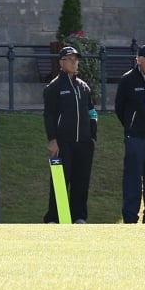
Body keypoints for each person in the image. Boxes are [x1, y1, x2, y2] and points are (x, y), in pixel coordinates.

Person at [43, 45, 97, 223]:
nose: (74, 63)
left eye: (76, 60)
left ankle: (78, 217)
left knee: (81, 181)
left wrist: (92, 135)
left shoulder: (84, 87)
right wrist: (52, 139)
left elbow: (92, 112)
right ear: (61, 62)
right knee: (60, 180)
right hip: (62, 142)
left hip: (83, 142)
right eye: (70, 60)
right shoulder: (54, 87)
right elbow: (49, 115)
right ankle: (56, 217)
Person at [113, 43, 145, 224]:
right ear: (139, 60)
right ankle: (130, 218)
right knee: (133, 178)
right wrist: (131, 126)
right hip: (136, 138)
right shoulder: (128, 80)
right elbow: (119, 108)